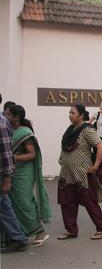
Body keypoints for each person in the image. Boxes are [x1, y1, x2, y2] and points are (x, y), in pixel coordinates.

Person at [57, 104, 102, 240]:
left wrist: (96, 166)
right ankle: (71, 230)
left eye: (73, 113)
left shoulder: (87, 130)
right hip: (67, 173)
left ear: (81, 115)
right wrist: (62, 158)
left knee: (89, 201)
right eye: (69, 112)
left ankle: (101, 229)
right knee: (67, 202)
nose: (70, 115)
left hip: (82, 173)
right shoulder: (70, 130)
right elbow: (65, 146)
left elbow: (101, 146)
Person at [4, 105, 51, 247]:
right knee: (13, 203)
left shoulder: (25, 132)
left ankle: (40, 232)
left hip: (24, 172)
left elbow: (32, 154)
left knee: (24, 201)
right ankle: (20, 232)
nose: (5, 116)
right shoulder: (9, 130)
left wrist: (13, 158)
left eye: (7, 115)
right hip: (13, 170)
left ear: (16, 117)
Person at [0, 105, 29, 253]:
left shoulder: (2, 124)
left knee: (5, 208)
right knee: (5, 207)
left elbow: (6, 154)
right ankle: (18, 238)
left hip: (2, 174)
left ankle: (19, 238)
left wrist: (7, 178)